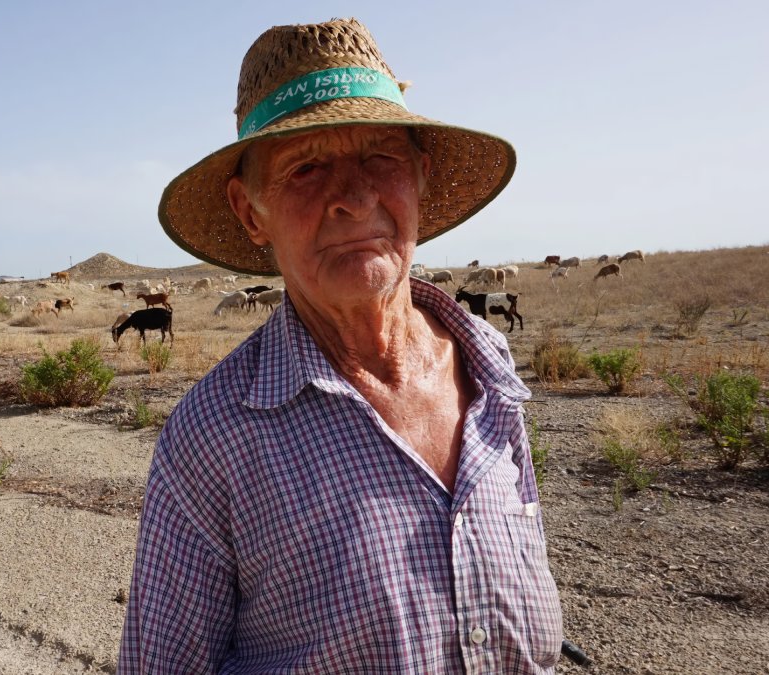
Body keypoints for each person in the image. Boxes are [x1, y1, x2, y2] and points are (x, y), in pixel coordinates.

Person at [120, 18, 562, 673]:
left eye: (380, 158)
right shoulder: (215, 438)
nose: (354, 198)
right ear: (252, 212)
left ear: (420, 178)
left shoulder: (490, 373)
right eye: (307, 167)